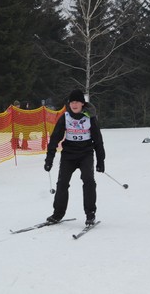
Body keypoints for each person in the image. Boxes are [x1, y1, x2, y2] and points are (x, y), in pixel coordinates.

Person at [44, 89, 105, 226]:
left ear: (82, 103)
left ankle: (90, 214)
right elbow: (54, 139)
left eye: (77, 101)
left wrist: (101, 160)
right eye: (72, 102)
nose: (74, 104)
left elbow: (98, 141)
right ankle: (58, 214)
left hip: (85, 154)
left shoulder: (90, 117)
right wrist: (49, 160)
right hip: (69, 155)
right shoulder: (65, 117)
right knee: (62, 183)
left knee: (88, 181)